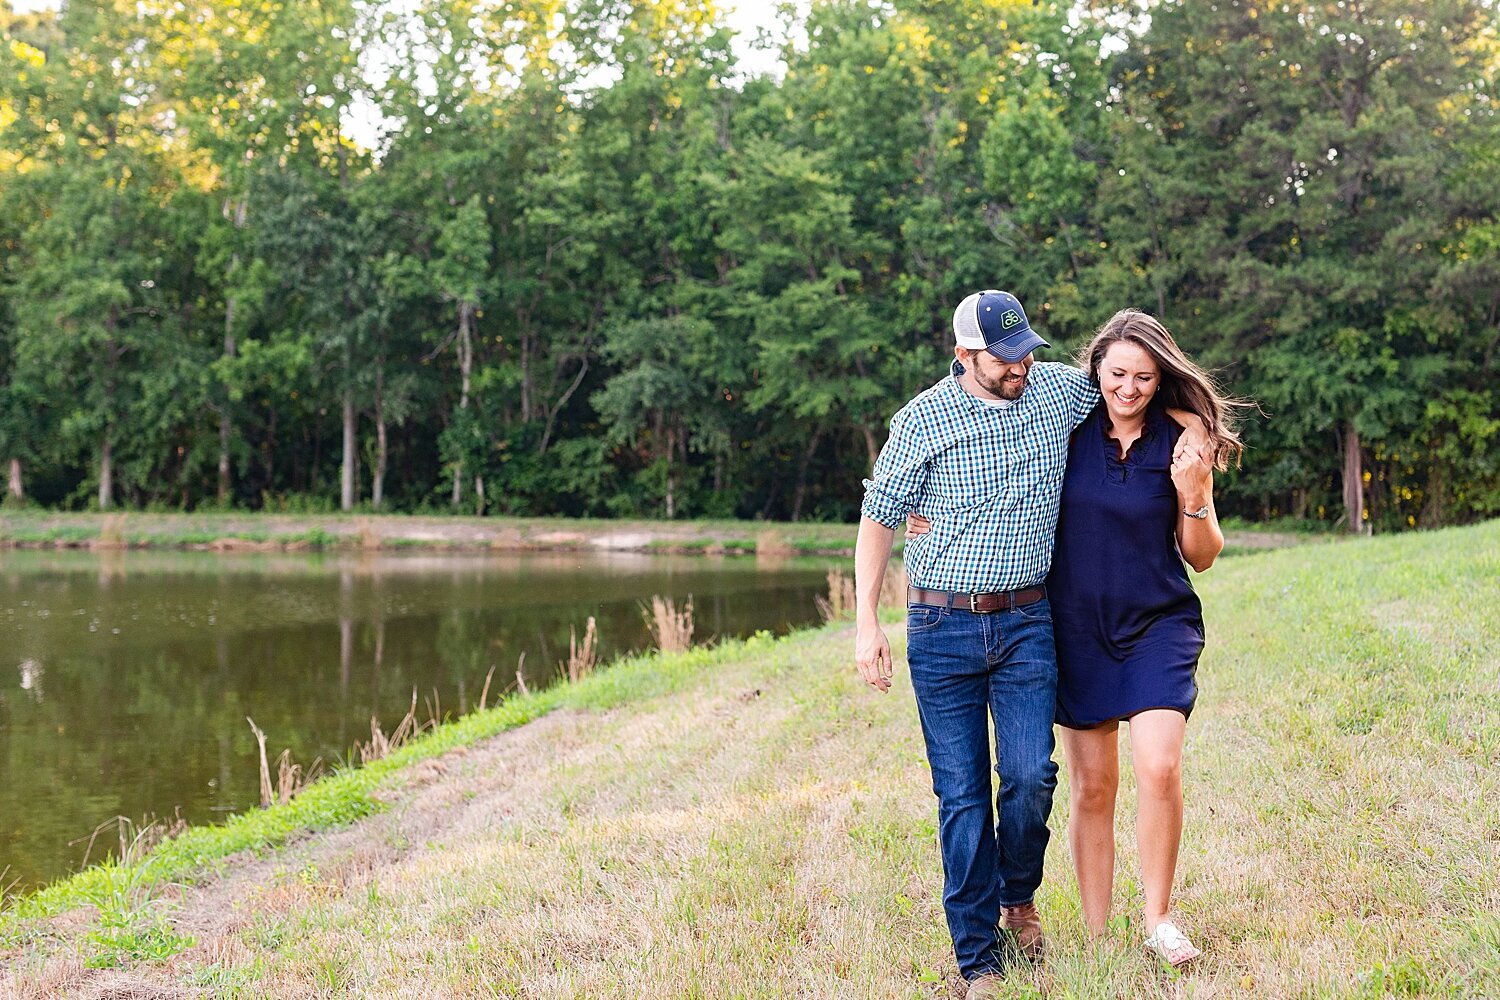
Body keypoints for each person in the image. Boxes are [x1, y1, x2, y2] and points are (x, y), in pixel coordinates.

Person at [854, 291, 1208, 998]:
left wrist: (1195, 422)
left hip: (1026, 624)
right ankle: (978, 959)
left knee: (1028, 779)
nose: (1019, 367)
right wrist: (866, 619)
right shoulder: (922, 419)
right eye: (1003, 358)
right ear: (964, 357)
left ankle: (1020, 899)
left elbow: (1132, 391)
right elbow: (880, 514)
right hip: (941, 626)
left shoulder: (1053, 392)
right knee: (961, 795)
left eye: (1025, 353)